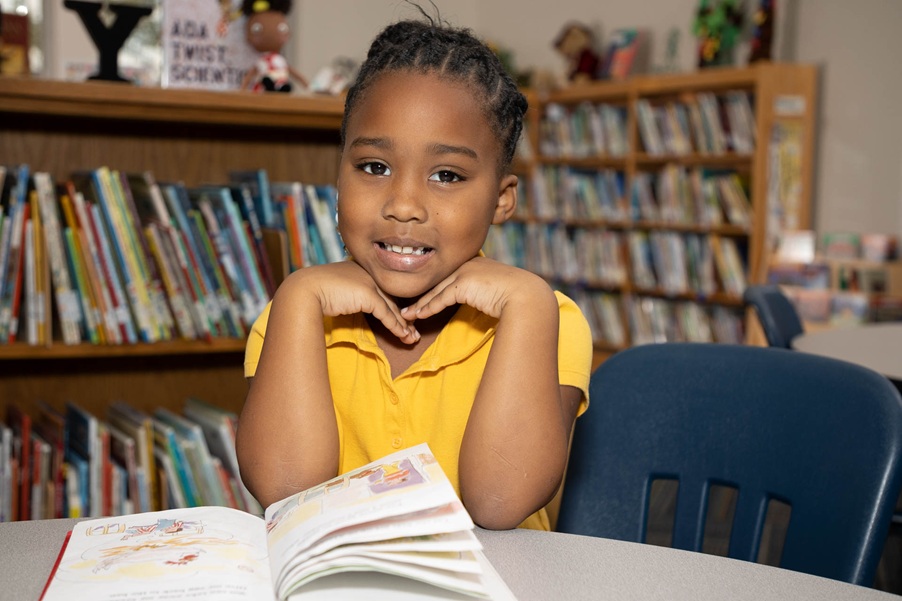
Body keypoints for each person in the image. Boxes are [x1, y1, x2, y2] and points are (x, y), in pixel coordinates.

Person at [237, 9, 593, 531]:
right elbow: (285, 492)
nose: (404, 205)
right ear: (338, 180)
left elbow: (499, 503)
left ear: (501, 199)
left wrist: (527, 303)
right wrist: (297, 297)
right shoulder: (294, 316)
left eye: (446, 175)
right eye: (374, 167)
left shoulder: (549, 320)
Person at [239, 0, 307, 92]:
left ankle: (280, 87)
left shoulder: (280, 61)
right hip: (262, 92)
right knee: (266, 82)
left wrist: (308, 86)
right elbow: (249, 77)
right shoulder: (262, 62)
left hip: (280, 91)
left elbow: (296, 75)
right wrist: (242, 90)